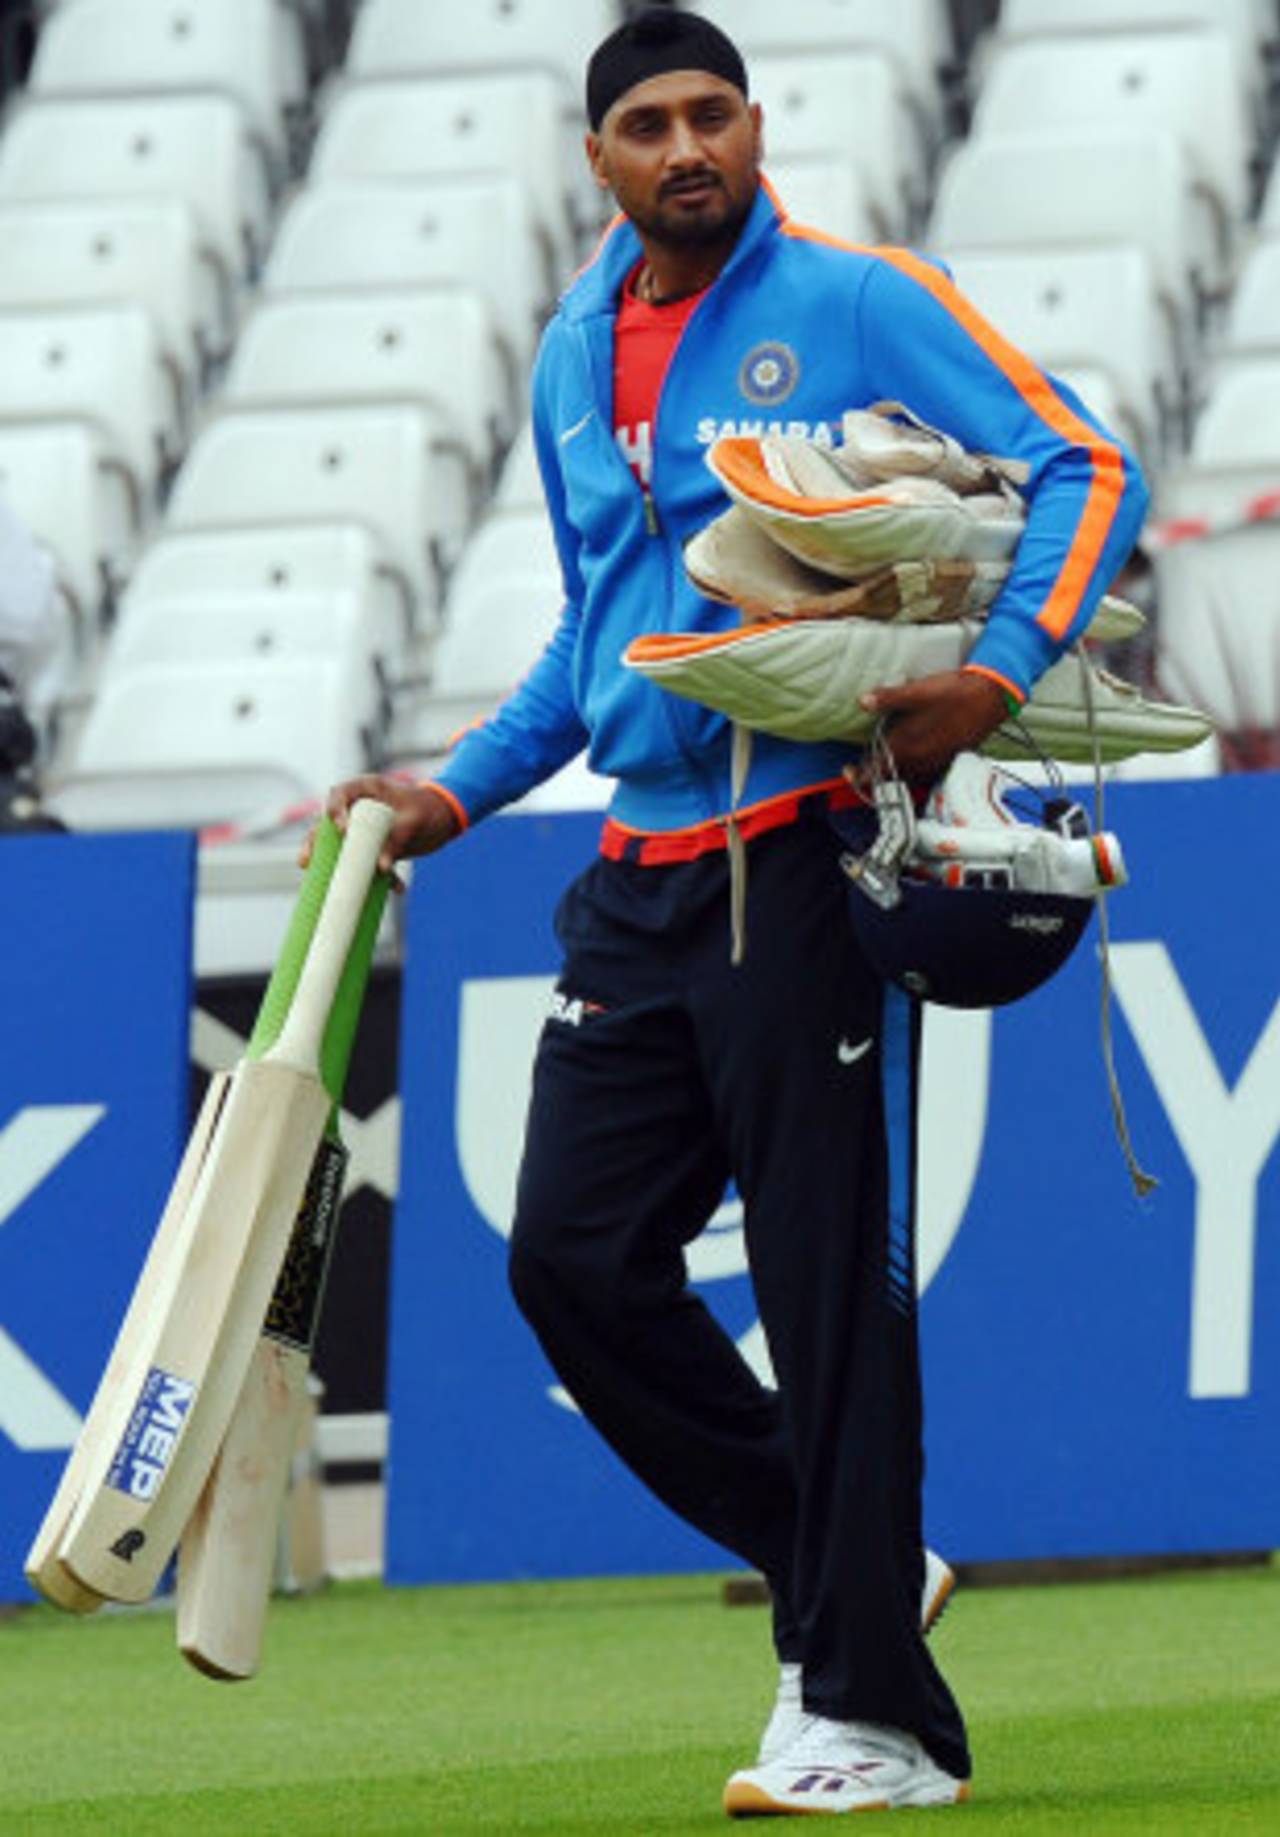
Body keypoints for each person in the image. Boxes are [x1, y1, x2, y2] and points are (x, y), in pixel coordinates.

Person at [314, 8, 1148, 1815]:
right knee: (570, 1260)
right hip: (638, 879)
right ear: (596, 155)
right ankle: (835, 1555)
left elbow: (1091, 464)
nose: (687, 145)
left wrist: (992, 683)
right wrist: (447, 789)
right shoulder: (564, 352)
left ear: (754, 126)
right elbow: (594, 638)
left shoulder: (853, 296)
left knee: (824, 1290)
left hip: (810, 851)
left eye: (714, 113)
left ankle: (881, 1721)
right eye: (648, 123)